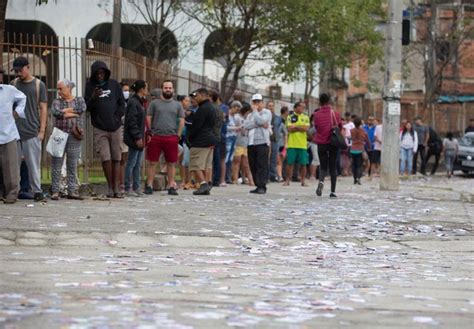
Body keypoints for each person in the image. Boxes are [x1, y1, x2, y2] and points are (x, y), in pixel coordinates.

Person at [84, 60, 126, 198]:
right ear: (94, 74)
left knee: (116, 156)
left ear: (106, 73)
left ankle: (116, 187)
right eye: (97, 73)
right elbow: (87, 107)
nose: (100, 76)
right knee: (105, 157)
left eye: (102, 73)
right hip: (99, 127)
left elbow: (121, 103)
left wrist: (118, 117)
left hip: (115, 126)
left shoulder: (114, 84)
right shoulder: (90, 86)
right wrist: (94, 97)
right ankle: (109, 185)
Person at [11, 56, 48, 202]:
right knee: (14, 165)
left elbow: (43, 108)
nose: (18, 73)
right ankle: (14, 191)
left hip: (32, 130)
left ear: (28, 67)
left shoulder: (39, 85)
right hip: (15, 131)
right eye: (16, 71)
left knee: (33, 164)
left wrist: (42, 131)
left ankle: (37, 191)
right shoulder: (13, 84)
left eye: (20, 70)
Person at [144, 80, 184, 196]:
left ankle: (171, 185)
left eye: (170, 88)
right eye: (166, 88)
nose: (168, 90)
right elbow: (148, 117)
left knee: (171, 163)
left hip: (171, 137)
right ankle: (149, 185)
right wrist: (150, 132)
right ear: (162, 89)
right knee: (152, 162)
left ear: (173, 90)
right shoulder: (154, 103)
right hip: (155, 137)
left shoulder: (178, 105)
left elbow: (181, 120)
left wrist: (178, 135)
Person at [50, 79, 85, 200]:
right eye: (58, 89)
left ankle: (72, 190)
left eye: (61, 88)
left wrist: (65, 111)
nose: (59, 91)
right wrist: (73, 113)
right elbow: (56, 112)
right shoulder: (56, 101)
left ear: (69, 88)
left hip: (74, 135)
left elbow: (81, 109)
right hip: (59, 134)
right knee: (56, 163)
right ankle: (55, 191)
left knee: (72, 164)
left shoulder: (79, 99)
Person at [0, 68, 26, 204]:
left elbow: (23, 98)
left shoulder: (9, 90)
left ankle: (12, 194)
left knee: (10, 166)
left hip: (8, 132)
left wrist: (17, 112)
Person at [188, 88, 217, 195]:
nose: (194, 98)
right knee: (206, 165)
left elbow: (197, 126)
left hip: (201, 141)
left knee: (196, 164)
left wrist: (190, 138)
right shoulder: (212, 108)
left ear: (201, 95)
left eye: (195, 96)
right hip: (210, 139)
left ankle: (203, 184)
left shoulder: (202, 109)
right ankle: (207, 183)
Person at [313, 93, 341, 198]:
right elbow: (340, 127)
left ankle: (321, 182)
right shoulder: (335, 114)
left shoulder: (316, 115)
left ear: (319, 102)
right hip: (333, 143)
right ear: (329, 101)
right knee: (333, 167)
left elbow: (316, 127)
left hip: (321, 143)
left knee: (323, 166)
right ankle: (333, 191)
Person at [123, 80, 148, 197]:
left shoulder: (140, 102)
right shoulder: (134, 102)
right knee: (131, 163)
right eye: (146, 87)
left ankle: (136, 187)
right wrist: (138, 137)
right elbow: (131, 121)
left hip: (140, 136)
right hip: (135, 138)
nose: (147, 90)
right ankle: (128, 187)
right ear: (142, 89)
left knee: (137, 163)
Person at [244, 93, 272, 194]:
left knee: (262, 165)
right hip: (251, 143)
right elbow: (246, 125)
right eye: (254, 102)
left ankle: (262, 186)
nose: (256, 104)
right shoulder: (250, 115)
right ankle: (257, 184)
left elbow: (262, 120)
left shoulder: (267, 112)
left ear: (262, 103)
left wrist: (256, 112)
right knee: (253, 165)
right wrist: (258, 124)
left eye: (258, 102)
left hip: (262, 142)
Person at [283, 101, 310, 187]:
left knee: (303, 163)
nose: (303, 108)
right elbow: (289, 129)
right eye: (301, 107)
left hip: (302, 144)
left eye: (304, 107)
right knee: (290, 163)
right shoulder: (290, 117)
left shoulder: (305, 117)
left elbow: (306, 129)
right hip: (292, 144)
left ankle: (303, 180)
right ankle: (287, 180)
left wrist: (296, 126)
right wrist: (300, 127)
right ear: (296, 107)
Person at [231, 103, 254, 186]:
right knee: (237, 161)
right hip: (238, 142)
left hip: (245, 142)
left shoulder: (248, 118)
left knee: (246, 163)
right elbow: (233, 127)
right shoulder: (237, 117)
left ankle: (249, 180)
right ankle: (235, 179)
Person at [210, 91, 227, 187]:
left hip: (220, 136)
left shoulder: (223, 108)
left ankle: (219, 179)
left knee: (219, 158)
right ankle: (213, 178)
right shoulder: (212, 107)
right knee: (213, 159)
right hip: (214, 135)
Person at [225, 101, 243, 184]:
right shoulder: (227, 116)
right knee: (226, 157)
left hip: (234, 137)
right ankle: (224, 177)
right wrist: (235, 128)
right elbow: (226, 127)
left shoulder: (235, 117)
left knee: (231, 158)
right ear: (232, 107)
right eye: (236, 109)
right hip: (228, 137)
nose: (237, 112)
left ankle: (228, 177)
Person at [177, 95, 193, 189]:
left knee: (186, 160)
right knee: (181, 161)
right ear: (181, 101)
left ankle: (188, 180)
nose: (188, 103)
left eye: (189, 101)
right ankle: (183, 180)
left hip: (186, 137)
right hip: (178, 136)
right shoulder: (178, 111)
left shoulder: (190, 113)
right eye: (186, 101)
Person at [350, 117, 371, 185]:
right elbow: (367, 140)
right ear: (360, 123)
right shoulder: (363, 131)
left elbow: (350, 138)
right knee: (359, 165)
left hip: (353, 149)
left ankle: (354, 179)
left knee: (354, 164)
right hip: (360, 149)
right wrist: (369, 147)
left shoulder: (351, 130)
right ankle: (358, 178)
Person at [119, 81, 130, 194]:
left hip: (127, 134)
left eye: (128, 90)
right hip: (119, 132)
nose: (127, 92)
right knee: (120, 159)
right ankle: (120, 184)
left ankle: (125, 183)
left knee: (125, 159)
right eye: (124, 90)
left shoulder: (129, 103)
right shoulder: (118, 103)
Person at [267, 100, 283, 182]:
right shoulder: (265, 116)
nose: (271, 107)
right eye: (269, 106)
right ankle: (266, 176)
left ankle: (273, 175)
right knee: (266, 158)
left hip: (275, 140)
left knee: (274, 158)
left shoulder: (278, 118)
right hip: (266, 140)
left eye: (272, 106)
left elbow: (280, 128)